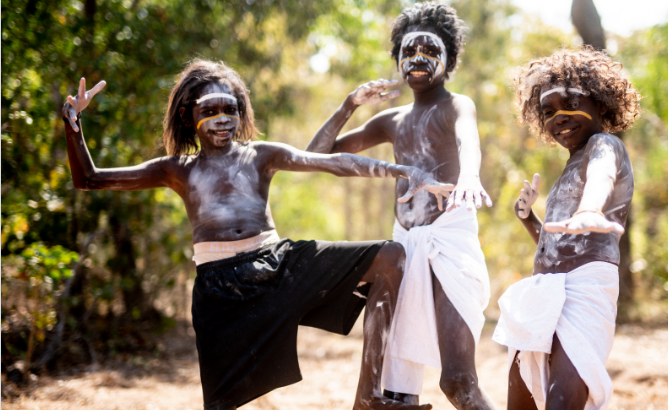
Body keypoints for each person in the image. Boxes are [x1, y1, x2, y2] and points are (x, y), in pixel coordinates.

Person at [61, 59, 454, 410]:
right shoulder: (176, 169)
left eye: (230, 109)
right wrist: (73, 125)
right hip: (220, 288)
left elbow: (333, 162)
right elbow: (90, 179)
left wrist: (405, 172)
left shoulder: (260, 155)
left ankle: (367, 396)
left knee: (390, 258)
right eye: (209, 110)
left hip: (277, 264)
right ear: (187, 116)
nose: (222, 119)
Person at [305, 2, 496, 409]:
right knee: (396, 393)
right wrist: (348, 105)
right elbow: (316, 156)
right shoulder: (391, 120)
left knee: (458, 381)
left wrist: (469, 176)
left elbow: (468, 141)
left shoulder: (456, 105)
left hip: (450, 243)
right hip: (404, 250)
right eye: (409, 52)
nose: (418, 59)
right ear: (397, 61)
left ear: (449, 59)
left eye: (430, 51)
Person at [492, 48, 641, 410]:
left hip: (585, 289)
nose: (559, 117)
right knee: (522, 394)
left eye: (571, 103)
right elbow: (559, 242)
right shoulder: (571, 163)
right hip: (544, 292)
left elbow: (602, 173)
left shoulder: (604, 145)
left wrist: (591, 207)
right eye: (548, 111)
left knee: (563, 401)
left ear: (601, 104)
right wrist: (531, 220)